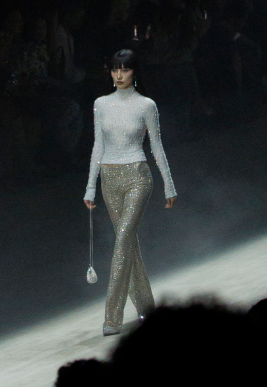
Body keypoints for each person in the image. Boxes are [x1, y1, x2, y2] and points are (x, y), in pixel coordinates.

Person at [83, 49, 178, 337]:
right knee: (129, 247)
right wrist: (90, 187)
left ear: (134, 72)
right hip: (109, 179)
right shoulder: (101, 104)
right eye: (115, 69)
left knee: (123, 241)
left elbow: (157, 146)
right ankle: (148, 309)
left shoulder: (146, 105)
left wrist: (169, 184)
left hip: (138, 176)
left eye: (124, 69)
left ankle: (112, 317)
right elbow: (98, 146)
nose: (119, 75)